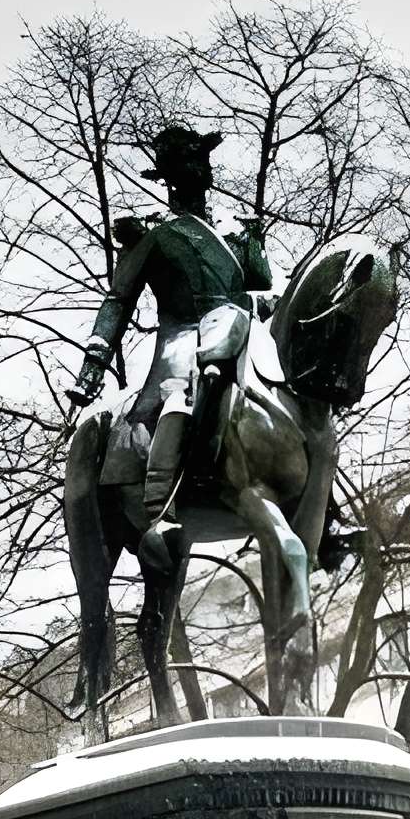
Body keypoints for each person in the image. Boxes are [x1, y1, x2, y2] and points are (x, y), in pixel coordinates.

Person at [70, 125, 271, 555]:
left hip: (238, 334)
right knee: (180, 398)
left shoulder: (236, 232)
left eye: (203, 158)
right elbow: (118, 300)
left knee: (288, 399)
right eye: (190, 159)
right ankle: (163, 511)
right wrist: (92, 367)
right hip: (183, 341)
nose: (202, 167)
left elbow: (262, 288)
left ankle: (321, 514)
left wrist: (258, 251)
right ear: (171, 174)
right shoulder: (155, 234)